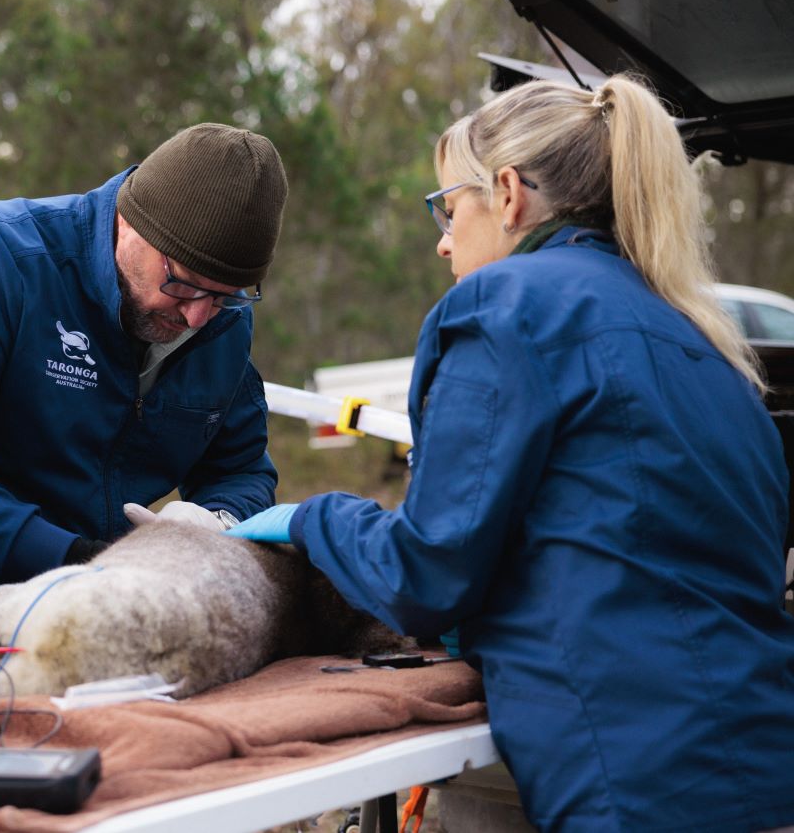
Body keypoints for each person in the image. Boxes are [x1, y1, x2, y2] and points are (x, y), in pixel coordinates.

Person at [228, 77, 794, 832]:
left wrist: (312, 520)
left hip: (636, 785)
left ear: (506, 193)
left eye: (448, 206)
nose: (442, 238)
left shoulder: (503, 307)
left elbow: (426, 573)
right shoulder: (704, 341)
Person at [0, 123, 288, 590]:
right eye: (184, 283)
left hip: (88, 597)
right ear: (129, 223)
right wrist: (75, 560)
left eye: (224, 295)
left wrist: (218, 523)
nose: (199, 316)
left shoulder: (224, 319)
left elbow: (239, 469)